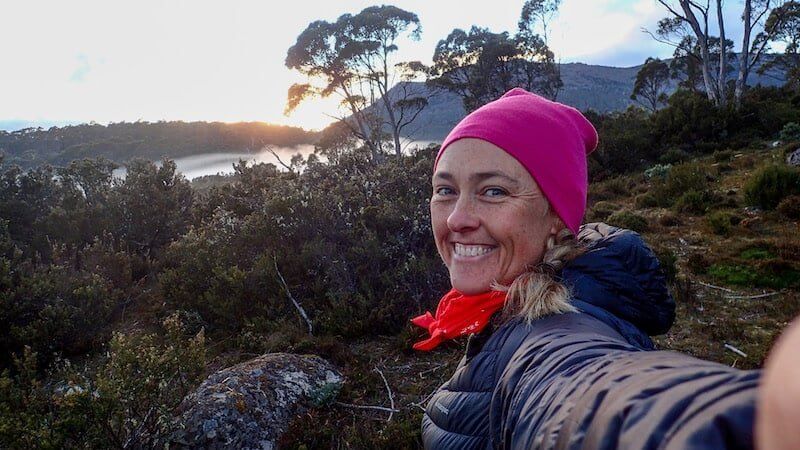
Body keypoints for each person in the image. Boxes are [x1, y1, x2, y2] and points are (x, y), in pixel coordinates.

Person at [410, 88, 763, 449]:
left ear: (556, 219)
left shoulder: (556, 325)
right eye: (445, 190)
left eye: (494, 191)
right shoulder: (501, 307)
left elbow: (585, 390)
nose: (457, 218)